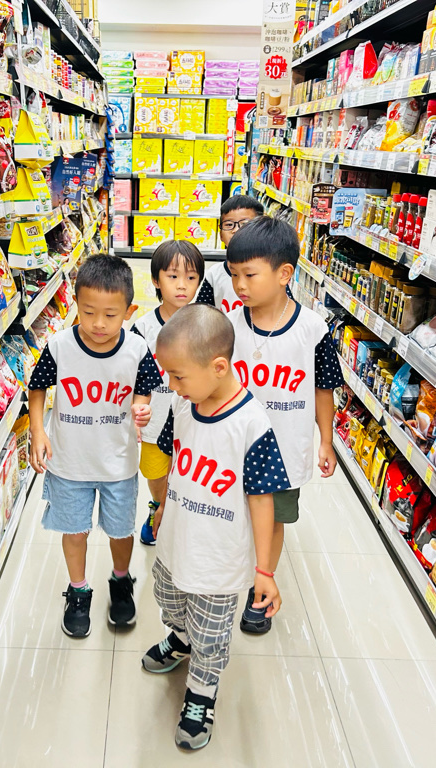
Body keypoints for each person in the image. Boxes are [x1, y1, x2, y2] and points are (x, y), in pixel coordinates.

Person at [141, 304, 289, 751]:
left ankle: (201, 693)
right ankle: (180, 638)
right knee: (168, 597)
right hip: (176, 539)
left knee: (211, 635)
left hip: (219, 558)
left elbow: (263, 500)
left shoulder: (251, 425)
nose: (171, 385)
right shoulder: (183, 406)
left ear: (218, 367)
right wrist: (162, 505)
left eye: (178, 376)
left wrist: (264, 570)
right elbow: (173, 459)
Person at [27, 255, 164, 638]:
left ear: (130, 312)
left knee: (121, 531)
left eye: (110, 315)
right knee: (74, 531)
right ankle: (78, 590)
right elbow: (37, 387)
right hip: (69, 462)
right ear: (75, 304)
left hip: (118, 462)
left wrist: (141, 406)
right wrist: (38, 431)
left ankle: (121, 581)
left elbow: (145, 388)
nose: (98, 324)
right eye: (88, 313)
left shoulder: (136, 349)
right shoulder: (60, 346)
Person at [225, 216, 343, 635]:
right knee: (235, 513)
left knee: (273, 519)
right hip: (235, 445)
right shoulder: (229, 325)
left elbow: (324, 388)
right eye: (234, 275)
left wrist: (326, 440)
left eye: (249, 275)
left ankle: (262, 583)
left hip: (285, 447)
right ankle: (233, 572)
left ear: (284, 274)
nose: (239, 285)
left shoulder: (313, 330)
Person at [132, 240, 205, 547]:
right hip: (155, 417)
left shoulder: (206, 324)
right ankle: (159, 506)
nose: (182, 285)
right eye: (173, 276)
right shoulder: (143, 328)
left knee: (190, 469)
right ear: (155, 280)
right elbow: (133, 375)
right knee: (155, 470)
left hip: (194, 417)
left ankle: (180, 514)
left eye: (191, 277)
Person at [196, 195, 264, 314]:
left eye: (244, 224)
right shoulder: (214, 275)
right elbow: (200, 314)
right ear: (220, 235)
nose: (236, 230)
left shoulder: (270, 272)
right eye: (228, 224)